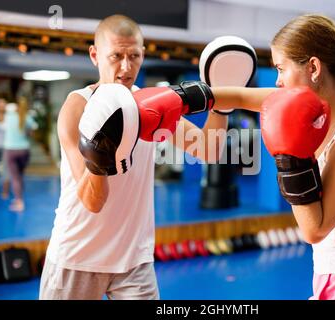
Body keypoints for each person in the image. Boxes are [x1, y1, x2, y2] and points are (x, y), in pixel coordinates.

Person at [212, 14, 335, 300]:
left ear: (313, 68)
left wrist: (290, 158)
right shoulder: (321, 111)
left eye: (281, 69)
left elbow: (314, 230)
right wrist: (185, 98)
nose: (279, 82)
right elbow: (242, 98)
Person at [39, 14, 229, 300]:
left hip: (134, 260)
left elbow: (208, 149)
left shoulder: (153, 106)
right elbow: (92, 201)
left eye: (135, 56)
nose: (126, 67)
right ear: (95, 55)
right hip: (76, 256)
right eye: (116, 55)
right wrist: (102, 142)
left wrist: (220, 102)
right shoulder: (76, 108)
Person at [3, 97, 37, 212]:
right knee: (20, 175)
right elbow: (32, 132)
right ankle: (19, 198)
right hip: (24, 150)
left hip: (11, 150)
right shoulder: (28, 117)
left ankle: (19, 201)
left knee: (15, 177)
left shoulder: (9, 117)